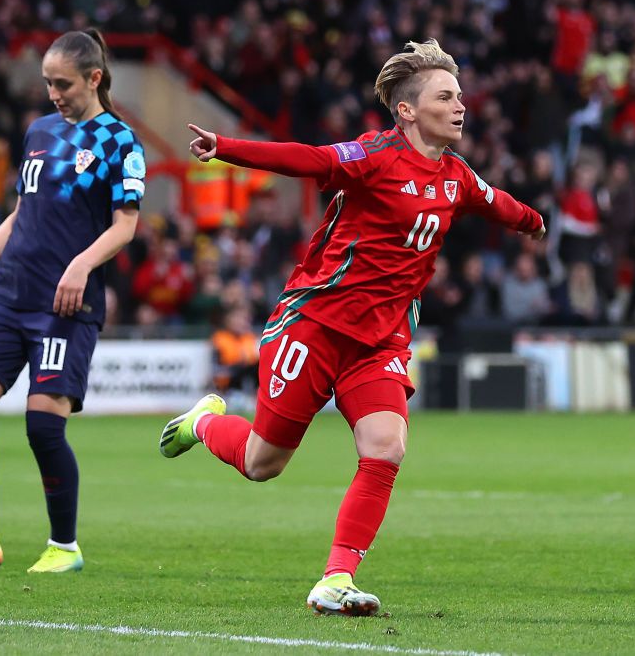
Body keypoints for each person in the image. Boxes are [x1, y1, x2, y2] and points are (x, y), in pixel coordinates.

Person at [161, 39, 544, 615]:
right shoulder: (373, 156)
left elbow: (496, 202)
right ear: (407, 110)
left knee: (386, 448)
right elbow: (309, 159)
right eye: (446, 96)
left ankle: (335, 579)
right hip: (315, 324)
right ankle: (206, 423)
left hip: (380, 341)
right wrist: (227, 149)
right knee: (264, 463)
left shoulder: (455, 176)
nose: (461, 105)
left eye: (460, 95)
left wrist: (533, 222)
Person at [0, 29, 145, 574]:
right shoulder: (39, 132)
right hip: (9, 293)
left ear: (94, 78)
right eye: (47, 82)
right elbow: (23, 213)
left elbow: (126, 226)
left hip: (64, 305)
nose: (53, 93)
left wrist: (80, 265)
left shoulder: (120, 142)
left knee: (43, 427)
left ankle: (64, 547)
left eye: (63, 83)